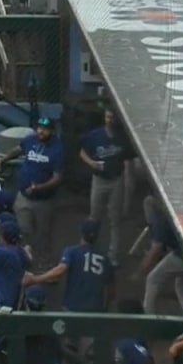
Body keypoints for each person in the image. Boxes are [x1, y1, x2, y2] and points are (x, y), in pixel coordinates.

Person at [0, 117, 64, 271]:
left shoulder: (57, 149)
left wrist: (39, 187)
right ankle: (25, 263)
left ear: (52, 131)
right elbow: (18, 149)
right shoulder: (31, 140)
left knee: (43, 234)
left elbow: (57, 178)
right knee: (23, 232)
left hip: (44, 200)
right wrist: (2, 160)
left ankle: (45, 265)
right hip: (23, 197)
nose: (40, 131)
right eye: (39, 128)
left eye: (44, 129)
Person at [23, 219, 114, 313]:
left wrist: (35, 279)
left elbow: (60, 270)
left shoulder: (73, 251)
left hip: (73, 306)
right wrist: (106, 307)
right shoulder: (105, 258)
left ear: (82, 233)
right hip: (95, 308)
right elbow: (111, 290)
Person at [79, 108, 131, 263]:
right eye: (108, 116)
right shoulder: (95, 136)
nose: (110, 120)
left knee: (115, 219)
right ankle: (88, 250)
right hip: (99, 179)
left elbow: (128, 158)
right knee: (94, 216)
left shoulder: (122, 136)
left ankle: (112, 255)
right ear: (104, 117)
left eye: (113, 117)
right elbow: (82, 152)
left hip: (116, 179)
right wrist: (91, 163)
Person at [141, 195, 183, 315]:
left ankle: (148, 316)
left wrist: (141, 270)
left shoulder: (160, 220)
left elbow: (156, 250)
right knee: (180, 285)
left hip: (182, 255)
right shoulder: (170, 214)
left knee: (152, 279)